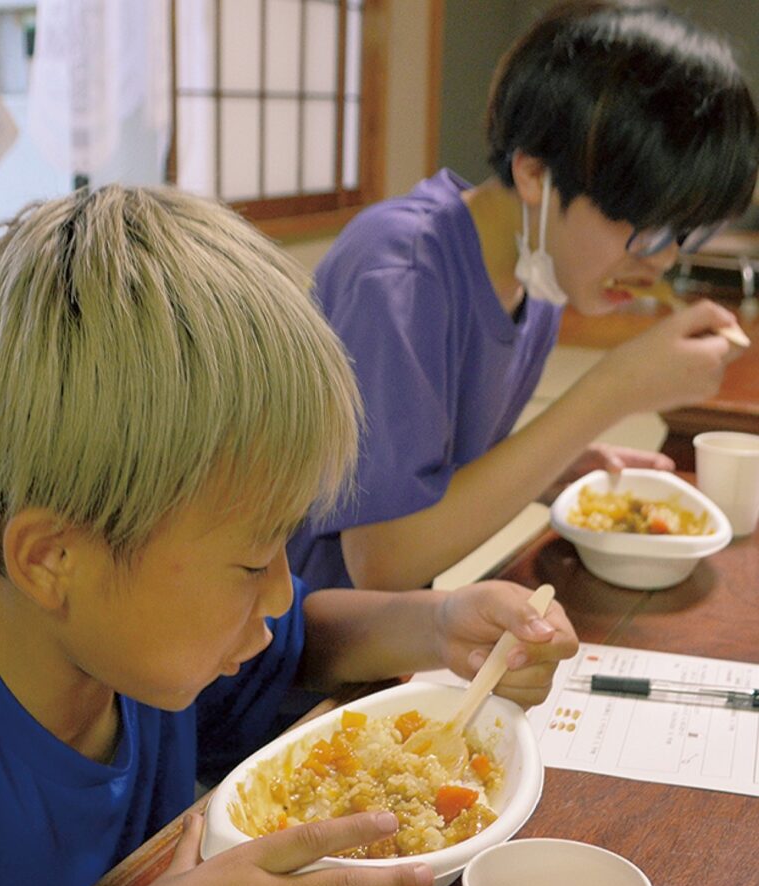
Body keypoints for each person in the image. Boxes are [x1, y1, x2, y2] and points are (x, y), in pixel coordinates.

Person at [0, 185, 577, 886]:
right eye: (251, 560)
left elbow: (304, 637)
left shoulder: (137, 645)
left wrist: (439, 621)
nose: (277, 591)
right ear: (52, 558)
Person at [287, 0, 759, 592]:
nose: (662, 259)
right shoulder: (399, 273)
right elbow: (384, 561)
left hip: (381, 631)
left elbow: (432, 475)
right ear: (535, 173)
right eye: (644, 227)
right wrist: (611, 391)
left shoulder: (539, 276)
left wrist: (547, 471)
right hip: (276, 652)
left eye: (684, 233)